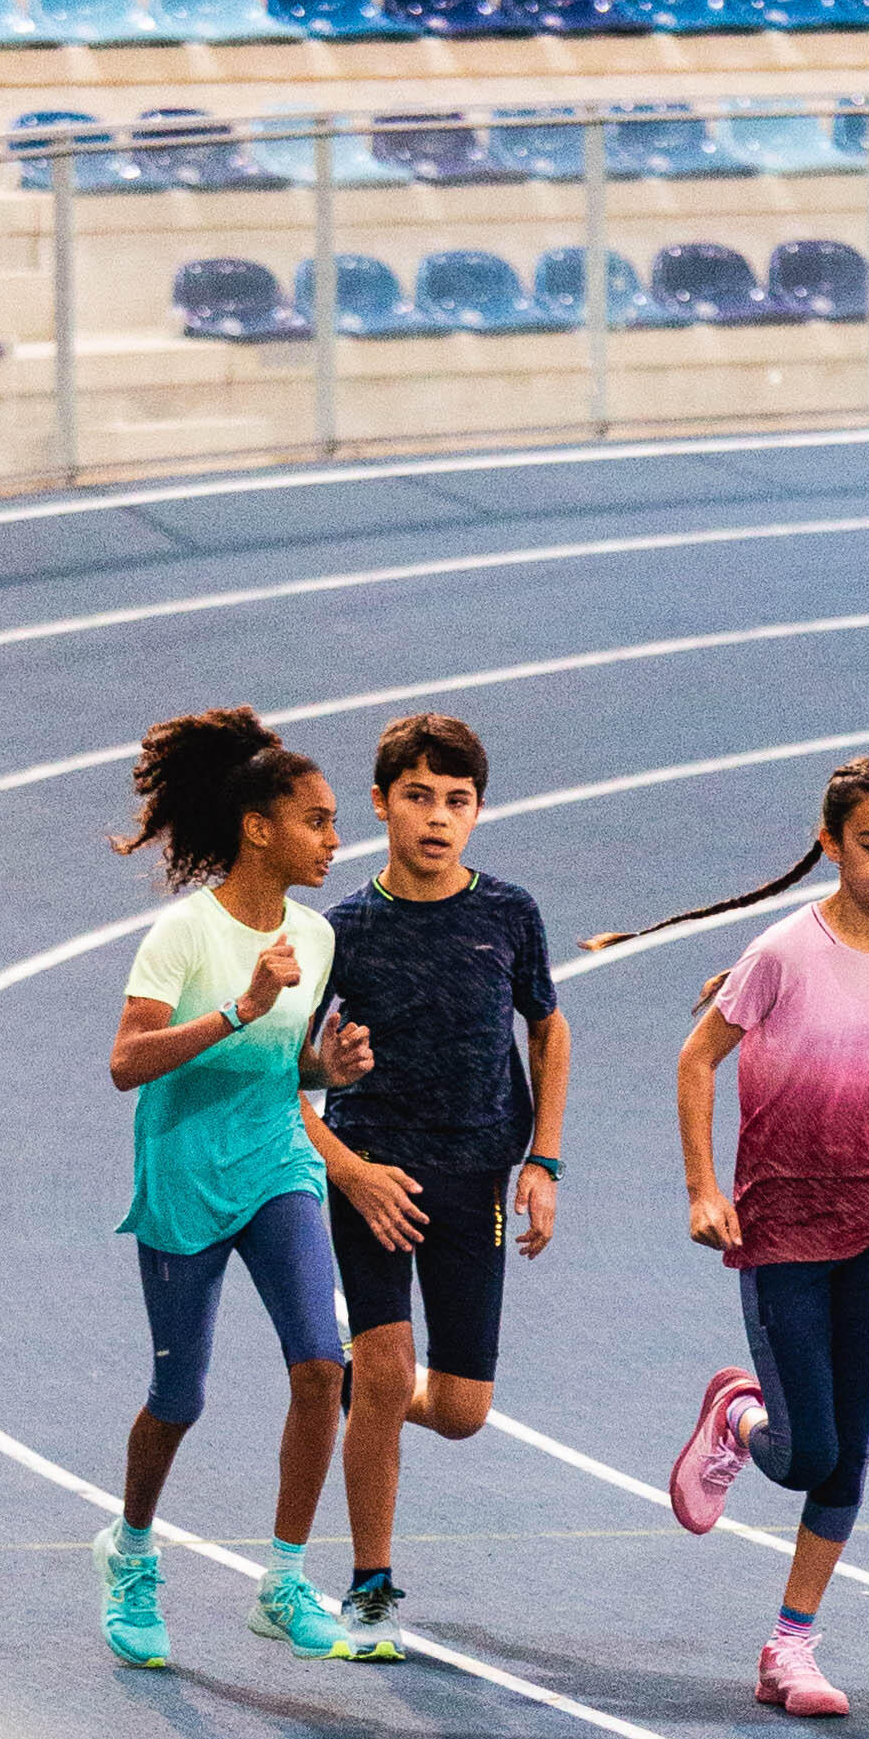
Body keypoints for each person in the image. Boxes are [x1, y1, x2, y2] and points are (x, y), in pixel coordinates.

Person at [660, 755, 869, 1721]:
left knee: (852, 1447)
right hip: (781, 1221)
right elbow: (695, 1060)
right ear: (832, 844)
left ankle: (790, 1644)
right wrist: (703, 1189)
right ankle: (736, 1417)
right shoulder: (780, 956)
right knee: (803, 1451)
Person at [96, 704, 389, 1674]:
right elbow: (127, 1063)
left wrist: (328, 1071)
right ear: (259, 826)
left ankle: (283, 1581)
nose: (336, 840)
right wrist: (240, 1008)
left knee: (320, 1365)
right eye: (317, 819)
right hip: (185, 1177)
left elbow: (287, 1067)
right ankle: (132, 1550)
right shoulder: (181, 936)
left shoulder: (318, 936)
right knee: (178, 1397)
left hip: (276, 1168)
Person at [313, 706, 567, 1658]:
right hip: (373, 1177)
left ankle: (361, 1392)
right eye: (417, 796)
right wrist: (351, 1170)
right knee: (384, 1373)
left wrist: (542, 1158)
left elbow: (548, 1025)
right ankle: (370, 1587)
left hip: (476, 1180)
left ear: (478, 813)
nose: (437, 817)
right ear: (381, 804)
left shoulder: (509, 913)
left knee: (459, 1412)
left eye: (457, 801)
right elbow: (284, 1076)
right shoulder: (342, 931)